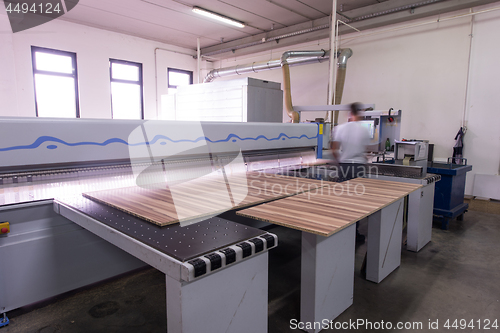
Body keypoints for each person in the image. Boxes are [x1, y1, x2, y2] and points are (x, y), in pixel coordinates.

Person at [330, 102, 371, 243]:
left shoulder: (339, 128)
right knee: (356, 202)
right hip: (359, 167)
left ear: (349, 114)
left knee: (342, 200)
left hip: (345, 166)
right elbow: (365, 151)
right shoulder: (364, 130)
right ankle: (355, 233)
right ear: (359, 113)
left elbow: (334, 150)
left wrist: (340, 162)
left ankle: (340, 231)